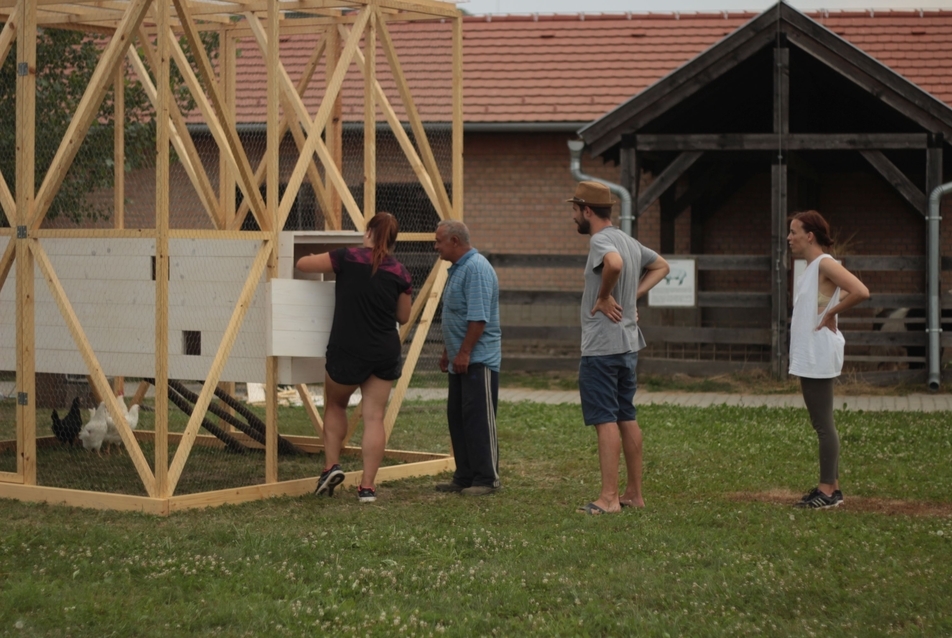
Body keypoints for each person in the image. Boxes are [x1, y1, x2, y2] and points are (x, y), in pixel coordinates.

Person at [296, 212, 412, 503]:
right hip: (384, 351)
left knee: (336, 404)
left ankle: (331, 466)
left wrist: (314, 255)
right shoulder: (400, 272)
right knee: (374, 417)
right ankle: (368, 488)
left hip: (347, 348)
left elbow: (302, 264)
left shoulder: (347, 257)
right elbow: (404, 315)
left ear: (370, 232)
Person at [569, 181, 670, 515]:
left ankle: (609, 498)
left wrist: (604, 296)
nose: (573, 216)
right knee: (626, 414)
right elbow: (662, 266)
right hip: (628, 346)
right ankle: (634, 494)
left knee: (605, 419)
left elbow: (613, 265)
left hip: (602, 347)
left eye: (575, 209)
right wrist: (633, 296)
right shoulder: (628, 240)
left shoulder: (601, 240)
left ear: (587, 210)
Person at [787, 210, 869, 509]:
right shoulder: (811, 267)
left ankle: (827, 491)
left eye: (794, 232)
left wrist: (832, 312)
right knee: (822, 422)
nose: (789, 237)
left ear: (810, 235)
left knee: (823, 424)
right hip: (812, 353)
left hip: (818, 353)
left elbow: (860, 291)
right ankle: (832, 487)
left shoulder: (824, 263)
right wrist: (829, 308)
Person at [433, 220, 502, 496]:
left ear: (454, 241)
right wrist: (449, 350)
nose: (435, 246)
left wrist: (464, 352)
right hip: (460, 359)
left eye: (438, 241)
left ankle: (487, 478)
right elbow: (457, 316)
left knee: (478, 419)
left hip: (478, 360)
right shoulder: (458, 269)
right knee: (458, 417)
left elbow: (477, 317)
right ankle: (464, 476)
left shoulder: (476, 269)